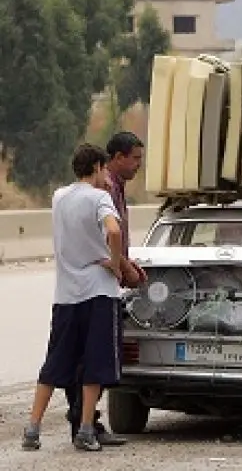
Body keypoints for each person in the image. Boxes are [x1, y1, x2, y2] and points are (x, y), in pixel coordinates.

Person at [22, 145, 125, 452]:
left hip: (66, 294)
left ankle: (32, 429)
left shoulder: (59, 197)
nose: (107, 175)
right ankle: (85, 429)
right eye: (104, 169)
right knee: (94, 363)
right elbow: (114, 231)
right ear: (96, 167)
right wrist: (116, 263)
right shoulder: (100, 198)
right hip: (98, 291)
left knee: (55, 361)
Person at [64, 131, 146, 447]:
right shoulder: (104, 190)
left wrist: (127, 263)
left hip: (100, 283)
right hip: (92, 287)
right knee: (90, 357)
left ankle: (89, 421)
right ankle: (82, 421)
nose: (139, 165)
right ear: (115, 159)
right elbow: (105, 237)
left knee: (93, 356)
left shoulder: (116, 189)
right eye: (135, 158)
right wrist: (123, 268)